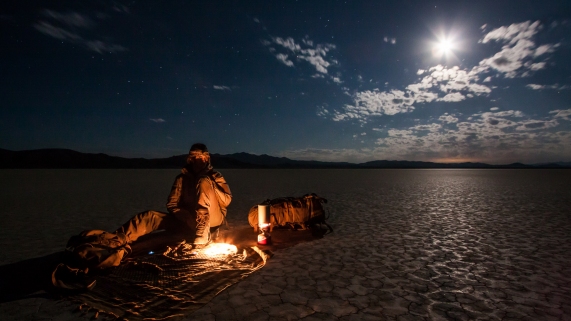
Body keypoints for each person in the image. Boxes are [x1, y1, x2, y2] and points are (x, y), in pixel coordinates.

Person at [115, 143, 232, 247]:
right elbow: (172, 204)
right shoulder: (181, 179)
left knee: (203, 181)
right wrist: (186, 218)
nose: (198, 160)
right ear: (190, 159)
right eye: (195, 157)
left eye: (201, 157)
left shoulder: (215, 176)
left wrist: (210, 183)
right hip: (188, 221)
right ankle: (114, 240)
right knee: (149, 217)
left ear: (207, 158)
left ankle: (203, 230)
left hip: (213, 220)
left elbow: (226, 201)